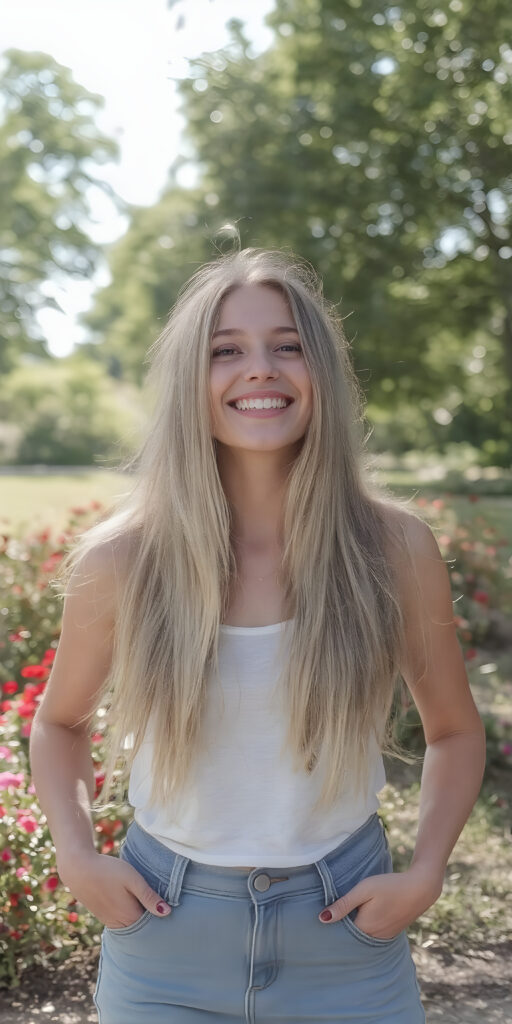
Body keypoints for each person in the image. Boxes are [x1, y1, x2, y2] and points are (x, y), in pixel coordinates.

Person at [30, 246, 486, 1024]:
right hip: (165, 938)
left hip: (345, 935)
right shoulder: (123, 561)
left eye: (287, 345)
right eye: (226, 350)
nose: (260, 369)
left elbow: (453, 730)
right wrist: (77, 856)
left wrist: (425, 874)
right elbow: (59, 722)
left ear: (322, 373)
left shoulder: (393, 548)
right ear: (189, 382)